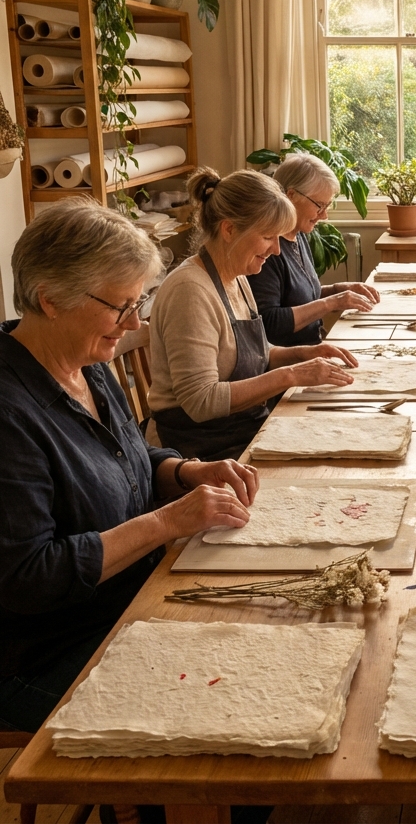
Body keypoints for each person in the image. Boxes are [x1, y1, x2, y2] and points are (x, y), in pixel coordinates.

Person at [0, 201, 258, 732]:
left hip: (132, 601)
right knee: (228, 717)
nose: (135, 323)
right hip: (47, 651)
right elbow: (29, 577)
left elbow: (128, 460)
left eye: (138, 303)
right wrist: (169, 522)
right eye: (122, 307)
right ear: (50, 299)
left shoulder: (83, 363)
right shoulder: (9, 412)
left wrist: (185, 471)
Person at [149, 167, 358, 460]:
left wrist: (304, 354)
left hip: (244, 429)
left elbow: (254, 353)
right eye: (268, 237)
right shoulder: (190, 291)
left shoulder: (236, 277)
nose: (275, 250)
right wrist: (291, 375)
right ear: (229, 229)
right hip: (201, 451)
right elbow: (201, 401)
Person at [248, 152, 380, 346]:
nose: (324, 215)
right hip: (288, 363)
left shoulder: (299, 235)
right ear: (291, 196)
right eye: (319, 205)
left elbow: (299, 298)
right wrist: (332, 303)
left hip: (312, 351)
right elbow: (268, 322)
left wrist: (339, 290)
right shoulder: (267, 251)